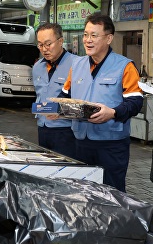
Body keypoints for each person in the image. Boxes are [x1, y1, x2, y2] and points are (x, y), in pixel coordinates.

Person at [61, 13, 143, 192]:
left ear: (109, 38)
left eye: (94, 35)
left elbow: (135, 102)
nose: (87, 40)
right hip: (80, 141)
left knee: (112, 194)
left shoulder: (124, 66)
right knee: (82, 192)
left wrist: (112, 112)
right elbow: (65, 95)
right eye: (85, 35)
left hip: (111, 144)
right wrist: (57, 109)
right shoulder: (77, 65)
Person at [33, 22, 79, 159]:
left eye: (48, 44)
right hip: (43, 128)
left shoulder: (78, 64)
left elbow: (83, 100)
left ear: (61, 41)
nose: (44, 49)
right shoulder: (37, 67)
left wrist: (61, 111)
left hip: (66, 131)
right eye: (40, 45)